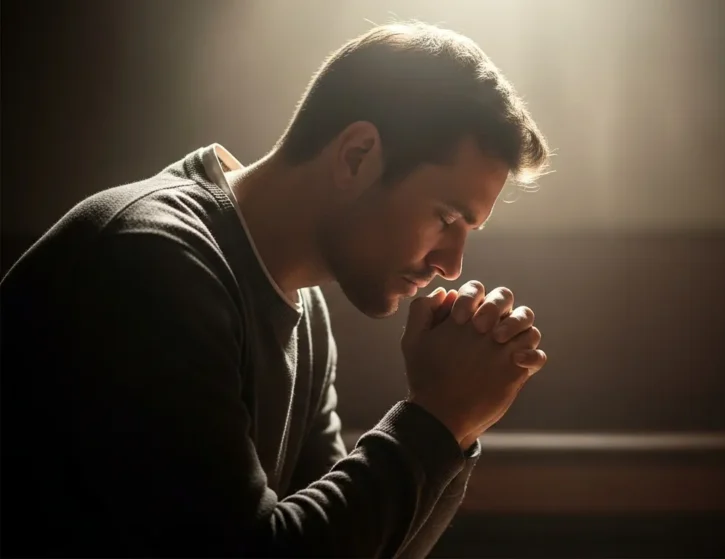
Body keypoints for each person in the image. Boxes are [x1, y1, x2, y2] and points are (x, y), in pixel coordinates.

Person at [0, 22, 551, 558]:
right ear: (357, 156)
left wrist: (456, 428)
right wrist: (437, 417)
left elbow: (352, 544)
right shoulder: (153, 261)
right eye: (445, 217)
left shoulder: (304, 311)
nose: (452, 265)